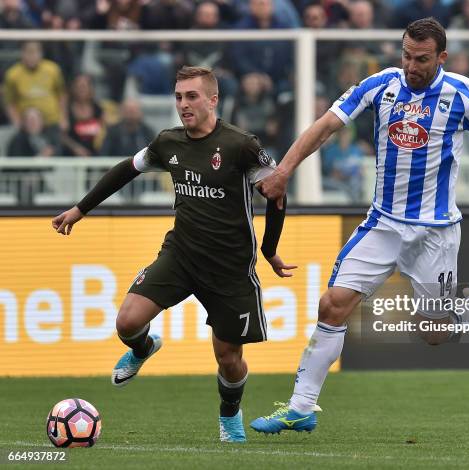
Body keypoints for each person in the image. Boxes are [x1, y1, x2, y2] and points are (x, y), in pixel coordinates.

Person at [250, 17, 469, 434]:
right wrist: (284, 170)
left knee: (432, 334)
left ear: (442, 57)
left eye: (422, 59)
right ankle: (301, 407)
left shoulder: (462, 94)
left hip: (435, 232)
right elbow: (325, 126)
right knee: (332, 305)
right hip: (382, 224)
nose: (412, 66)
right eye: (407, 56)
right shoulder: (381, 84)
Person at [51, 66, 296, 443]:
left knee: (229, 359)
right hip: (180, 255)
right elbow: (125, 170)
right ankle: (144, 348)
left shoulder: (240, 145)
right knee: (126, 322)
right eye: (179, 97)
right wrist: (80, 209)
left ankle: (230, 417)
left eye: (192, 96)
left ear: (213, 100)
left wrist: (269, 249)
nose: (183, 104)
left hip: (230, 269)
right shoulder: (168, 142)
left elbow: (276, 193)